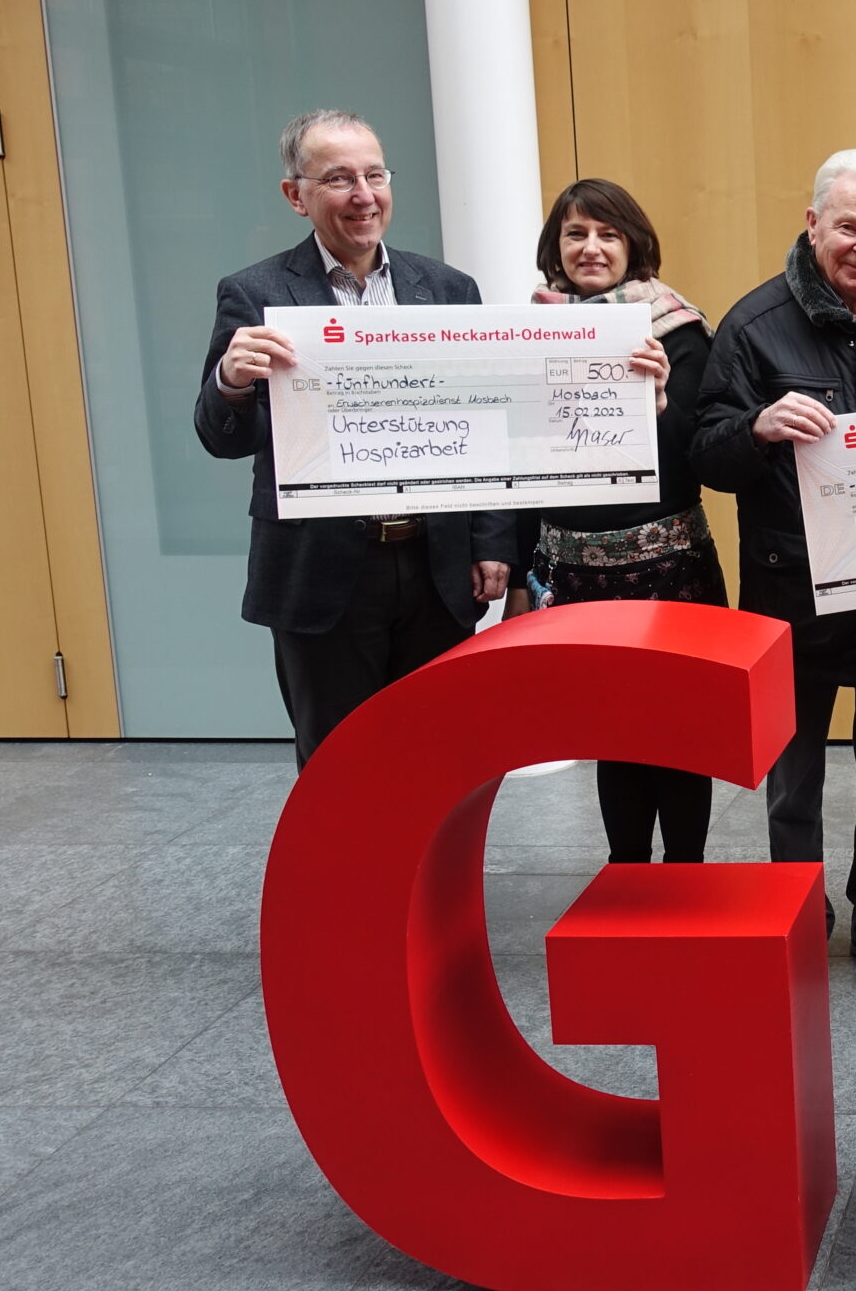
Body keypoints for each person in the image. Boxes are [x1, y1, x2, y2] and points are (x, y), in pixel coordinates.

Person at [692, 149, 856, 979]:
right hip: (793, 592)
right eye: (849, 226)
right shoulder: (753, 325)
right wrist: (758, 426)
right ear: (813, 224)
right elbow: (705, 451)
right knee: (794, 779)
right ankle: (799, 913)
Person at [195, 109, 515, 768]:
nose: (364, 195)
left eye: (375, 175)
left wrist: (490, 541)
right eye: (339, 179)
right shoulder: (255, 294)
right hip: (320, 571)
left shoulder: (448, 290)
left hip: (435, 566)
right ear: (296, 195)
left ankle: (430, 847)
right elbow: (222, 438)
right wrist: (231, 380)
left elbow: (483, 425)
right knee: (339, 765)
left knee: (441, 756)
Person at [507, 179, 723, 864]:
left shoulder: (678, 330)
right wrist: (515, 579)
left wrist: (657, 403)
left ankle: (684, 875)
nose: (592, 247)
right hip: (572, 577)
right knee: (613, 737)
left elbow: (702, 452)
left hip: (670, 571)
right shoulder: (526, 334)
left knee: (680, 735)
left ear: (635, 246)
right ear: (556, 246)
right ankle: (627, 873)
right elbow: (516, 466)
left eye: (608, 234)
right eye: (576, 234)